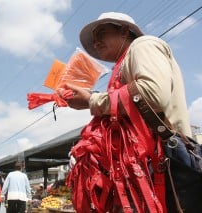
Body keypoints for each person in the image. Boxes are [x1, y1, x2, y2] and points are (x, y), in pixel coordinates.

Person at [63, 12, 192, 212]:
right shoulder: (123, 64)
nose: (96, 43)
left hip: (160, 165)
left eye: (102, 34)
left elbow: (153, 93)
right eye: (94, 39)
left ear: (124, 31)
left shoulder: (143, 45)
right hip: (141, 171)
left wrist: (91, 100)